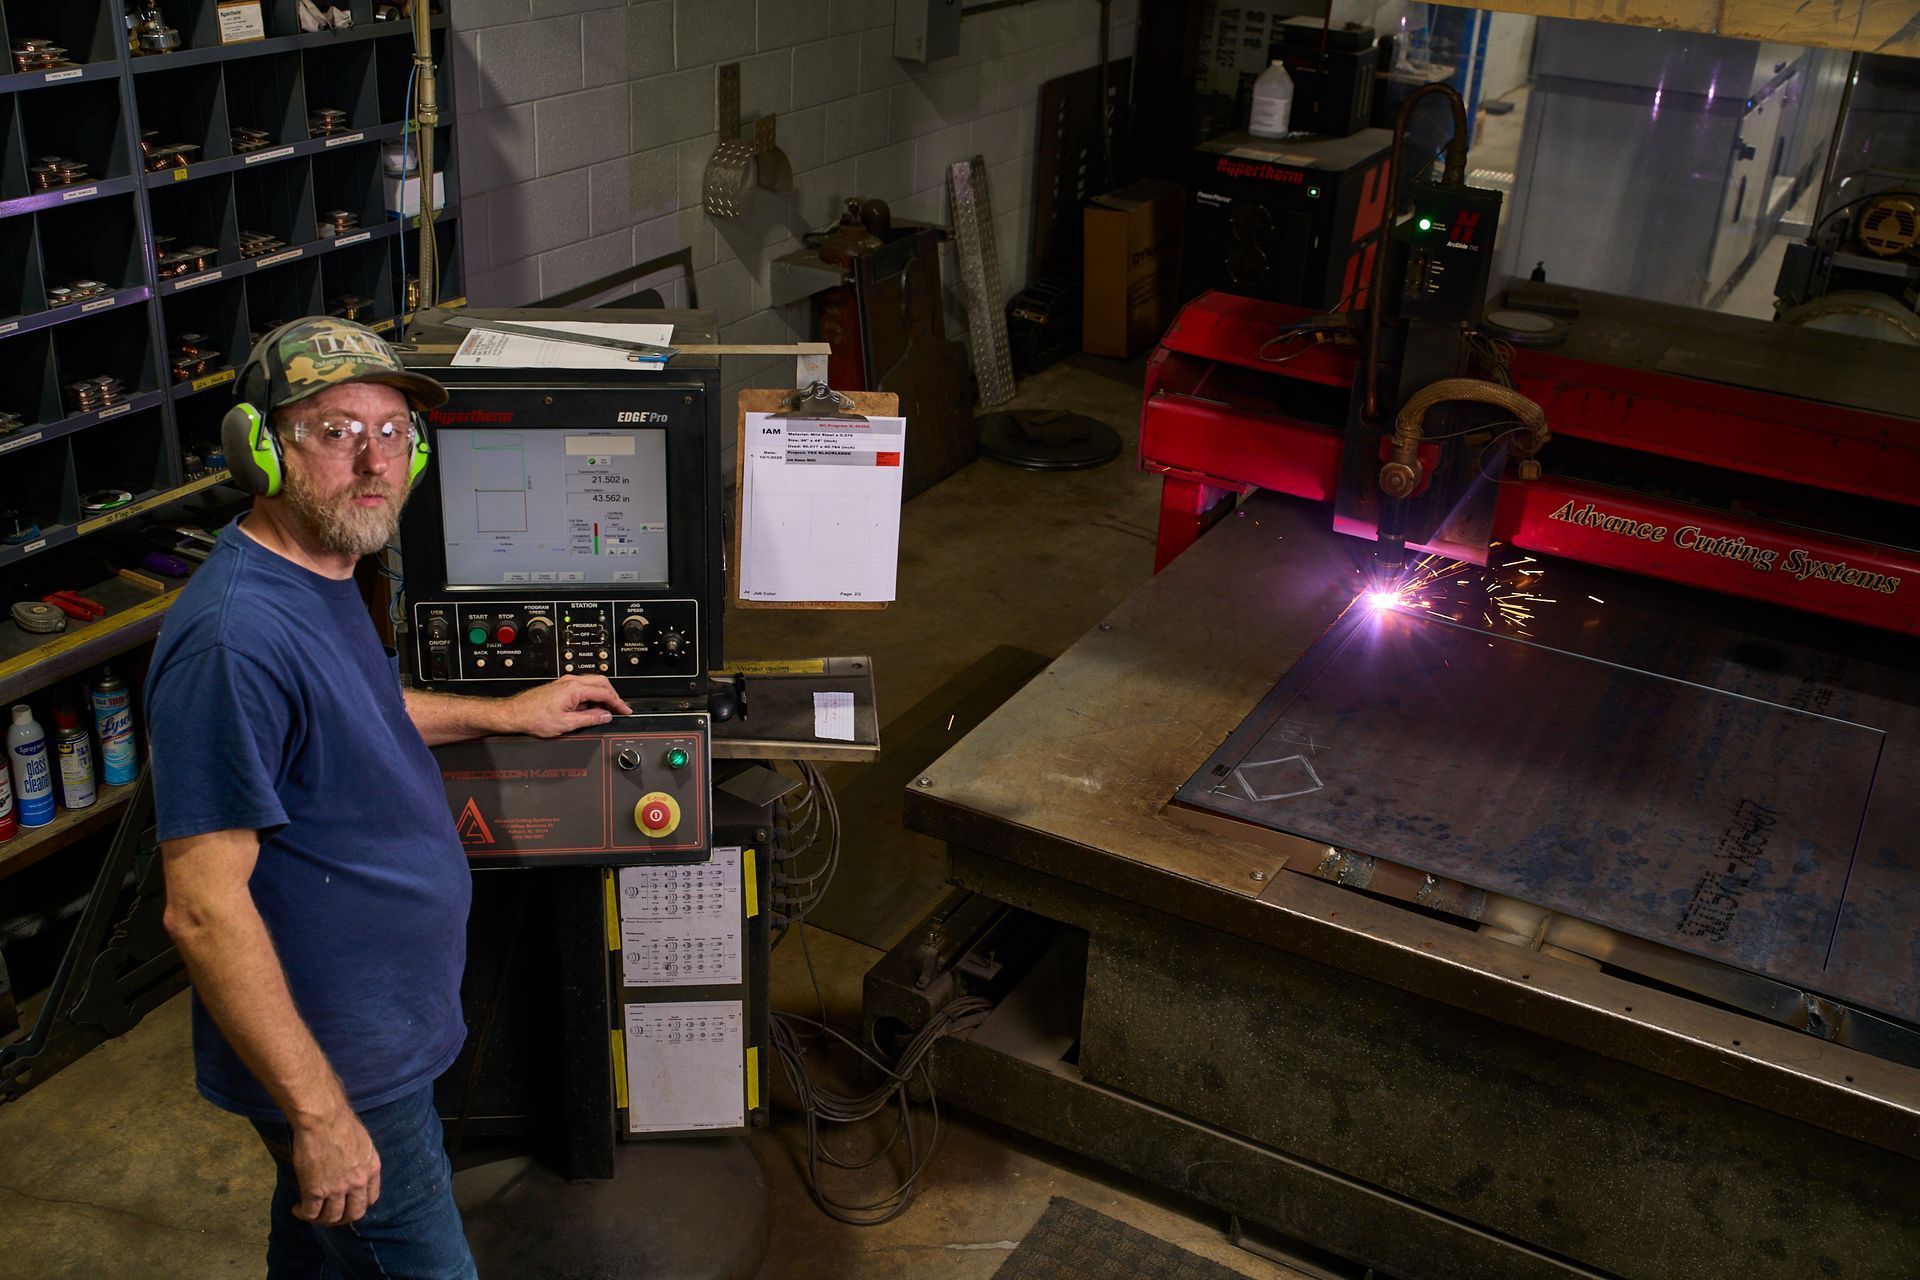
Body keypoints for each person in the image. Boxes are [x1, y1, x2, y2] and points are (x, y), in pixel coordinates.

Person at [148, 318, 631, 1279]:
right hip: (342, 1064)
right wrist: (321, 1115)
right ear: (260, 450)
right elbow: (202, 909)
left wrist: (509, 712)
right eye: (334, 431)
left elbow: (359, 709)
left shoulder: (322, 575)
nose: (374, 462)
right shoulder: (234, 640)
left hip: (377, 1034)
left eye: (393, 432)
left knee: (325, 1252)